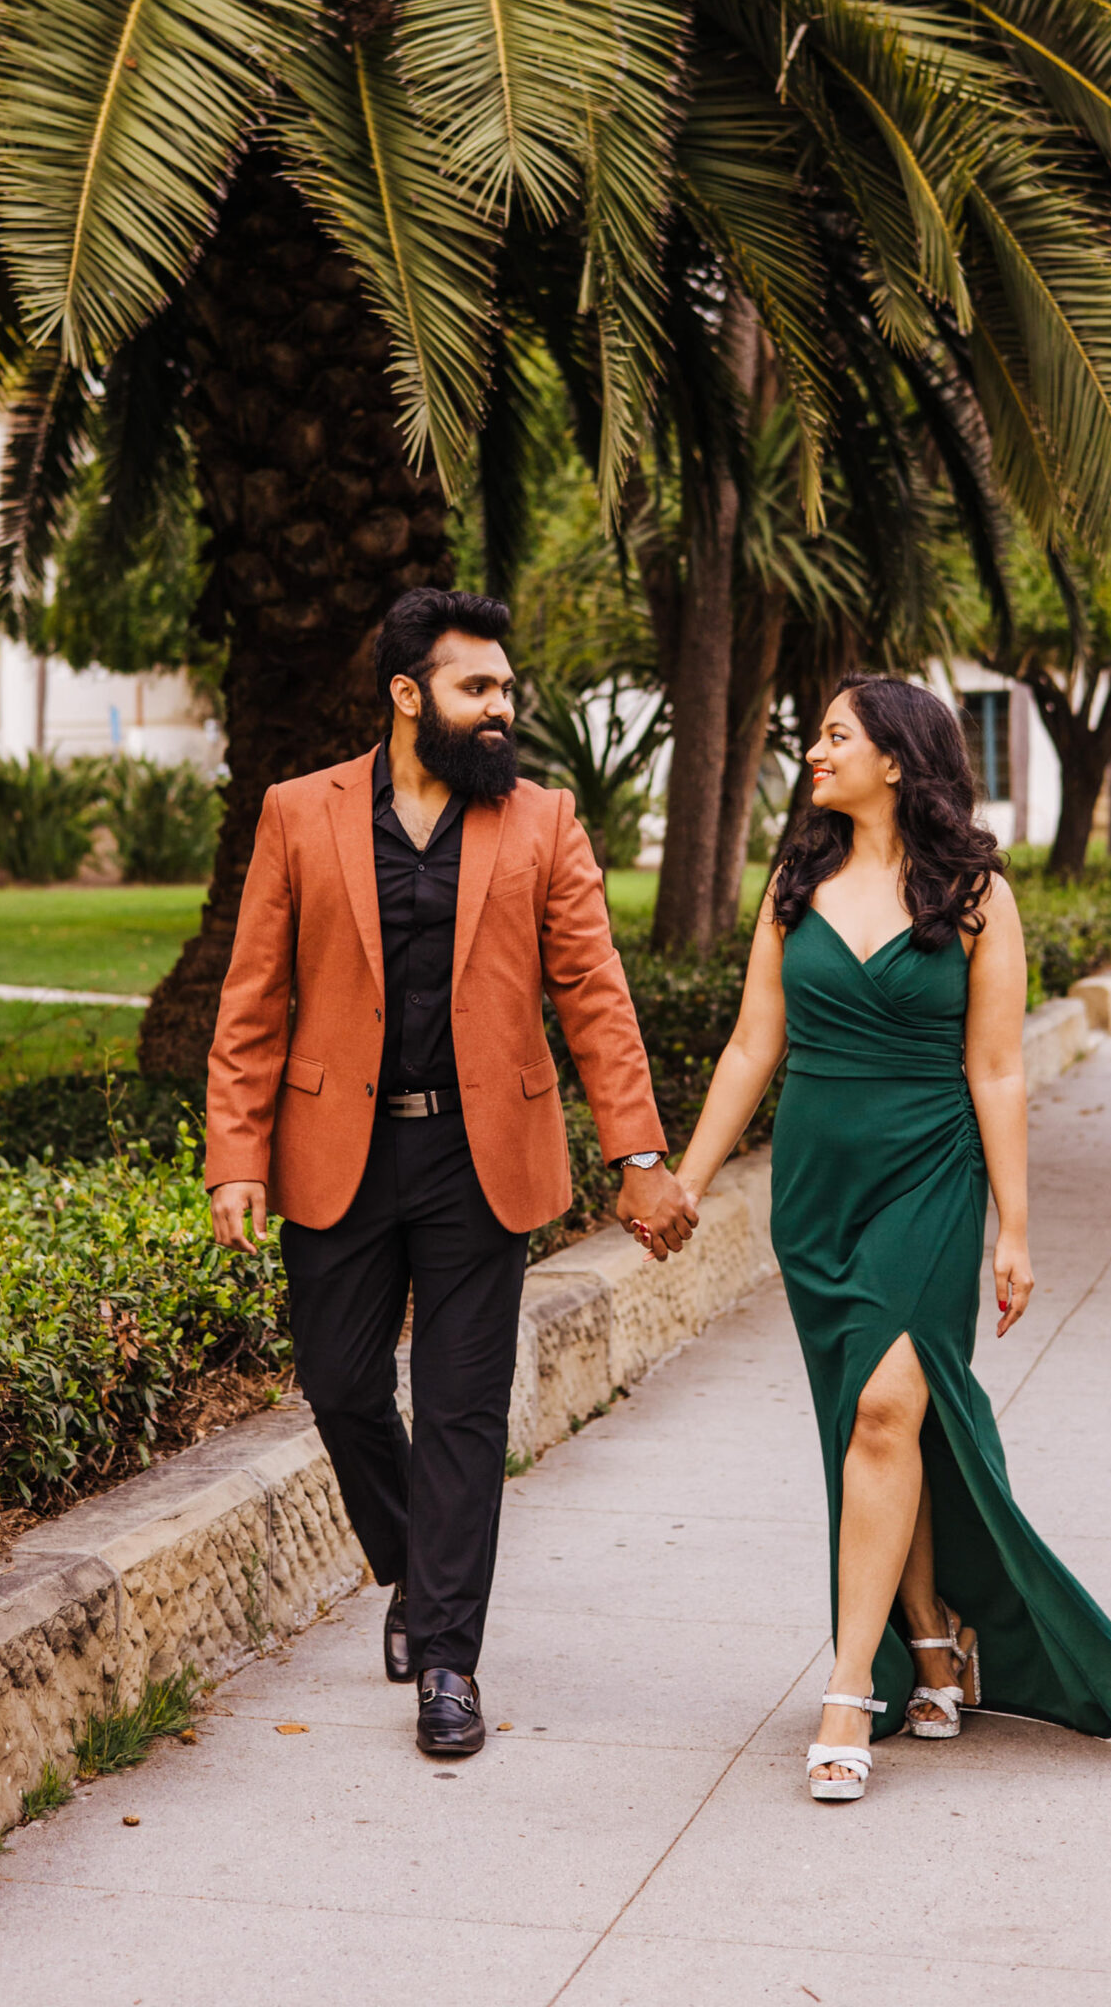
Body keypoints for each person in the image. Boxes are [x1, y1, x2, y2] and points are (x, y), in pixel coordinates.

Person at [662, 672, 1111, 1801]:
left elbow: (995, 1067)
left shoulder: (977, 892)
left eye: (835, 734)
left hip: (930, 1178)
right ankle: (935, 1637)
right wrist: (686, 1181)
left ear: (895, 758)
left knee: (891, 1407)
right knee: (875, 1424)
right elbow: (753, 1047)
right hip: (817, 1188)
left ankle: (851, 1688)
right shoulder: (794, 881)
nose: (815, 750)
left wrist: (1017, 1229)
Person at [205, 588, 693, 1757]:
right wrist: (236, 1152)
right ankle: (414, 1573)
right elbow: (253, 995)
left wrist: (638, 1153)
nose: (501, 710)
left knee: (466, 1410)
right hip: (338, 1155)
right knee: (340, 1387)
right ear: (408, 694)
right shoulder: (297, 813)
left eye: (508, 691)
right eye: (478, 688)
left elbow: (593, 993)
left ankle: (447, 1662)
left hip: (483, 1158)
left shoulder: (542, 822)